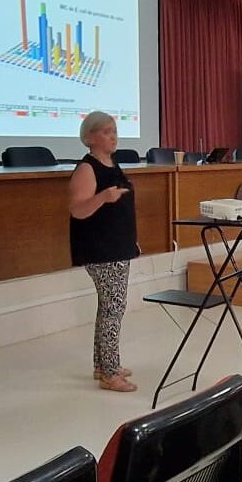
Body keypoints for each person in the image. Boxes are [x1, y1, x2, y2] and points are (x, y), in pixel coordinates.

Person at [68, 112, 139, 392]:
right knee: (114, 307)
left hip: (118, 245)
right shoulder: (87, 168)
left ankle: (103, 365)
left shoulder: (112, 163)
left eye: (115, 130)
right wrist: (102, 197)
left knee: (109, 307)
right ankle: (110, 373)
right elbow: (77, 208)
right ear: (90, 137)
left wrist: (131, 241)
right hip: (100, 248)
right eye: (107, 131)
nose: (114, 136)